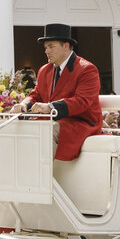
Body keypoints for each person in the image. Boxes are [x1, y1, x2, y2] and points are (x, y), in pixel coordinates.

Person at [26, 24, 103, 159]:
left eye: (51, 46)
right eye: (45, 47)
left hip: (82, 123)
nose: (46, 51)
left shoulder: (87, 69)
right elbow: (37, 94)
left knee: (46, 129)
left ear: (66, 46)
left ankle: (41, 175)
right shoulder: (45, 70)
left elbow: (82, 101)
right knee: (26, 128)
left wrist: (50, 107)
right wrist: (23, 104)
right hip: (56, 121)